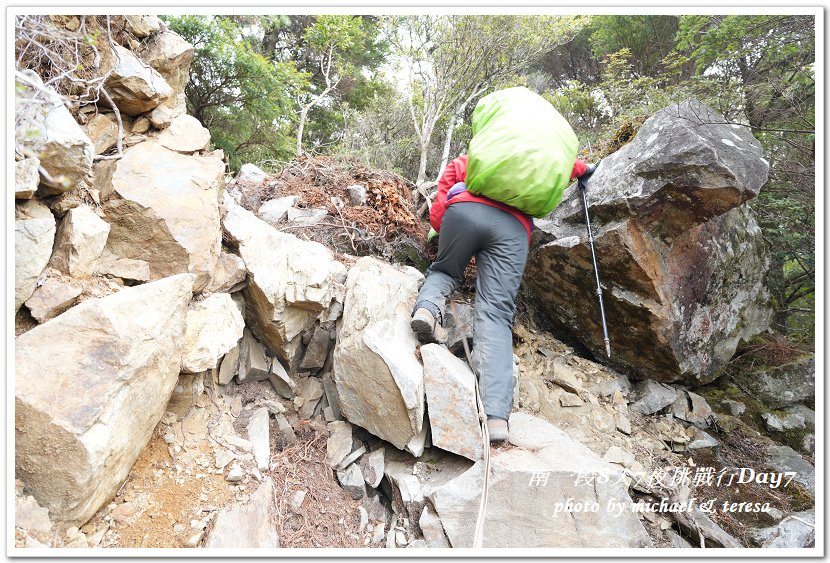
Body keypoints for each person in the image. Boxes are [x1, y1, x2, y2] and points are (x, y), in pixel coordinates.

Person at [410, 154, 588, 442]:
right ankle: (495, 418)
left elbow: (451, 175)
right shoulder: (538, 159)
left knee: (444, 270)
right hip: (512, 227)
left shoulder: (485, 153)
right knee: (495, 313)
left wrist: (441, 223)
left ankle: (427, 310)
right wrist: (585, 171)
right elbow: (569, 165)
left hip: (464, 210)